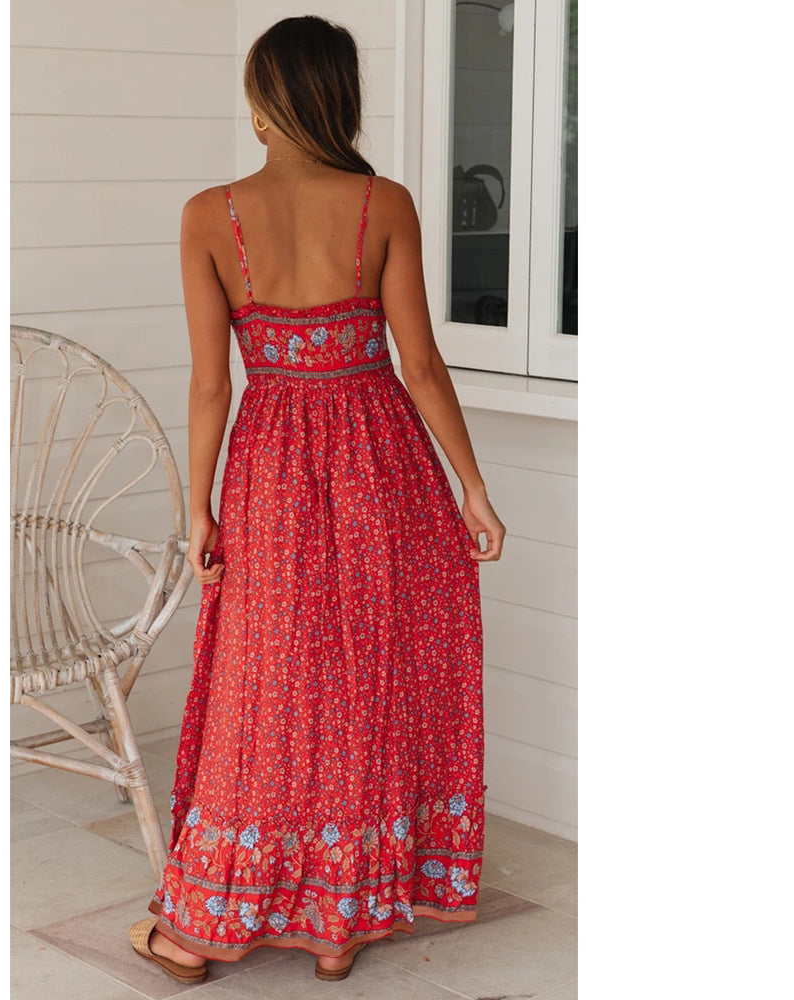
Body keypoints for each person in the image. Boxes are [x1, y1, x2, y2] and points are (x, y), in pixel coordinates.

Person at [129, 14, 506, 985]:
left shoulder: (211, 214)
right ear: (342, 100)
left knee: (269, 685)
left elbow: (211, 382)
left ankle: (215, 913)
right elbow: (418, 364)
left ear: (261, 103)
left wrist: (199, 505)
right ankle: (339, 922)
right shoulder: (384, 204)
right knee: (366, 676)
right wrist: (471, 487)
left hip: (269, 469)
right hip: (383, 460)